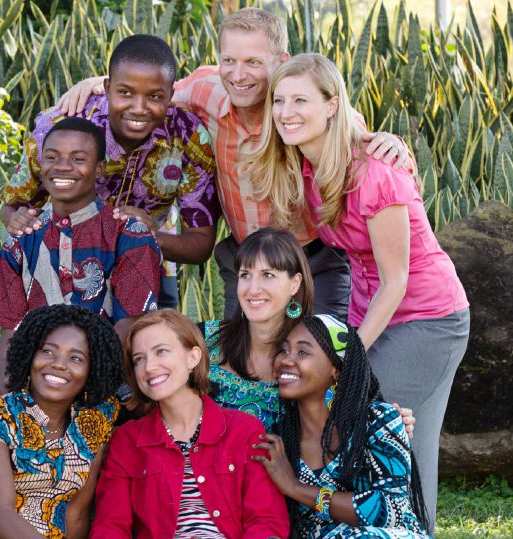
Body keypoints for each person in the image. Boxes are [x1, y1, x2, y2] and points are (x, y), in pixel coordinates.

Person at [57, 8, 410, 319]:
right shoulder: (205, 90)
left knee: (318, 363)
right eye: (229, 60)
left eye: (254, 62)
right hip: (245, 259)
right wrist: (94, 86)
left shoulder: (298, 109)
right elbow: (151, 91)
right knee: (239, 372)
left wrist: (389, 143)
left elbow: (351, 132)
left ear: (281, 60)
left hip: (312, 260)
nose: (238, 75)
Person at [247, 52, 469, 528]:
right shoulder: (309, 168)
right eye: (279, 100)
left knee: (372, 423)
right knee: (411, 448)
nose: (286, 111)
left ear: (332, 106)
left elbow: (397, 280)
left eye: (300, 99)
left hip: (428, 318)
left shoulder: (375, 174)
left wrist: (349, 356)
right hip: (378, 313)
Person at [1, 34, 218, 310]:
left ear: (170, 96)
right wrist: (18, 220)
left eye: (154, 96)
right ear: (106, 87)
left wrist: (145, 234)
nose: (138, 108)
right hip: (64, 266)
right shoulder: (60, 128)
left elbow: (200, 244)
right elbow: (13, 206)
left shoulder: (189, 138)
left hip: (148, 264)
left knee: (155, 345)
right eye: (125, 92)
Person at [0, 117, 162, 399]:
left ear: (99, 168)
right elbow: (10, 334)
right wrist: (7, 400)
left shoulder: (128, 234)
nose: (63, 167)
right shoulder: (21, 238)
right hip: (34, 378)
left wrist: (80, 387)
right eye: (52, 157)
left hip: (109, 383)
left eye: (78, 158)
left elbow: (128, 326)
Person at [90, 310, 289, 539]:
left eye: (161, 351)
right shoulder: (127, 442)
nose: (149, 367)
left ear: (193, 357)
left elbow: (267, 522)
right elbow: (110, 527)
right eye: (139, 359)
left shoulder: (244, 431)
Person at [200, 227, 414, 439]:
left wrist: (389, 421)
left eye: (268, 275)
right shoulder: (203, 342)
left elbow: (350, 411)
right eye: (245, 275)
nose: (253, 288)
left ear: (295, 283)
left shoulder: (322, 350)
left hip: (285, 473)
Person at [254, 314, 430, 538]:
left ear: (336, 368)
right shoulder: (279, 442)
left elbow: (390, 509)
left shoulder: (377, 421)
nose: (286, 360)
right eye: (284, 350)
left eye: (302, 352)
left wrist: (296, 488)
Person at [0, 305, 124, 539]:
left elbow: (77, 514)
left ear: (91, 370)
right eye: (48, 351)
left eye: (76, 358)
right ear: (30, 355)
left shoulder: (95, 420)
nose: (59, 364)